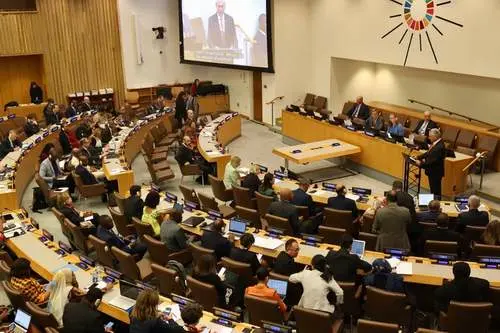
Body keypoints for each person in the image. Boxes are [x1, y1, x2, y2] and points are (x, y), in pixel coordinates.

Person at [290, 255, 344, 333]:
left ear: (312, 265)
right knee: (339, 313)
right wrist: (338, 303)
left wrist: (302, 272)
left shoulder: (305, 273)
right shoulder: (328, 277)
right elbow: (340, 292)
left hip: (305, 310)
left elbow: (291, 278)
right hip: (323, 314)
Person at [415, 128, 446, 197]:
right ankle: (434, 203)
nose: (429, 138)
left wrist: (420, 164)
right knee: (433, 190)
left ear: (435, 137)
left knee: (435, 191)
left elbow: (431, 162)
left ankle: (436, 204)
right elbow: (428, 153)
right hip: (433, 171)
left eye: (430, 136)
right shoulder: (436, 143)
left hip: (435, 172)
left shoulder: (439, 147)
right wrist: (418, 157)